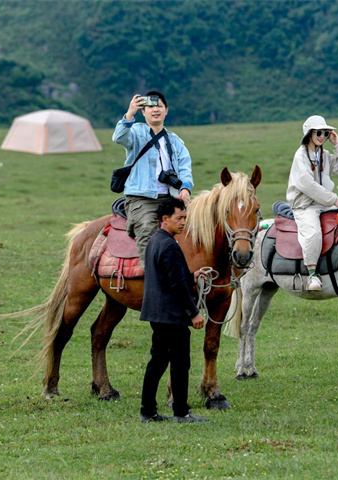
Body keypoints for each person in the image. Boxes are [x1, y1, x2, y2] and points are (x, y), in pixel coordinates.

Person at [139, 197, 209, 423]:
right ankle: (181, 412)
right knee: (180, 363)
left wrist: (191, 276)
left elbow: (169, 276)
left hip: (157, 313)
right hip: (171, 315)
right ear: (165, 219)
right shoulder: (169, 245)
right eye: (179, 218)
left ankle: (147, 411)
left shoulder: (155, 241)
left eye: (185, 218)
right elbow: (176, 286)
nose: (183, 222)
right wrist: (194, 313)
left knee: (157, 361)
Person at [112, 90, 194, 267]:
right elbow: (118, 138)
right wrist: (129, 114)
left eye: (159, 106)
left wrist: (185, 188)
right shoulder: (136, 133)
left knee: (194, 230)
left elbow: (185, 167)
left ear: (166, 110)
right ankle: (151, 276)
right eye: (150, 106)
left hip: (171, 198)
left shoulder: (175, 141)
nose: (155, 109)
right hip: (142, 198)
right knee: (148, 231)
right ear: (143, 112)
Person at [286, 115, 338, 291]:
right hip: (304, 206)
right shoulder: (301, 156)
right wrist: (333, 199)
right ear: (309, 134)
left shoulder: (324, 154)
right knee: (313, 233)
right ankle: (313, 275)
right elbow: (307, 184)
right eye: (319, 132)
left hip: (322, 203)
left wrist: (337, 145)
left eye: (326, 132)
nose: (322, 136)